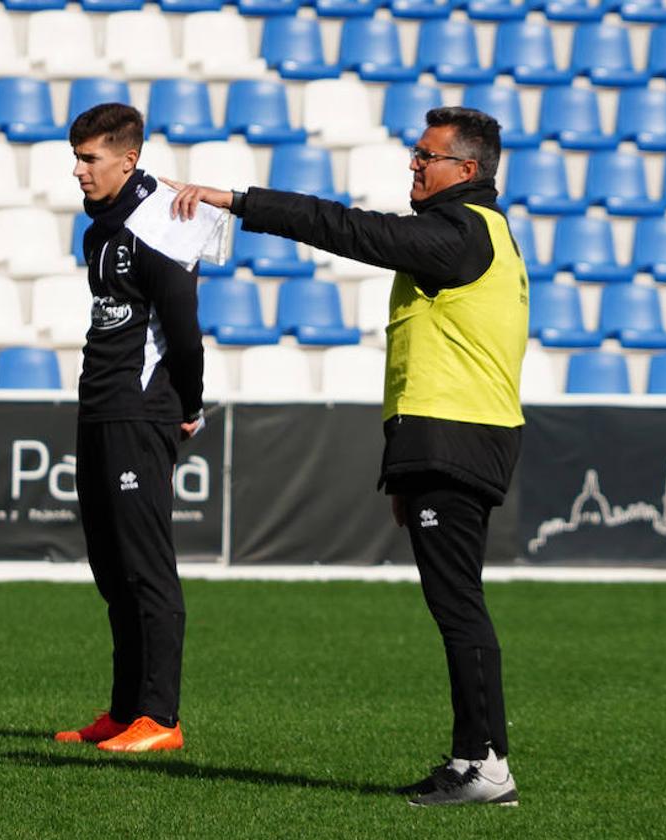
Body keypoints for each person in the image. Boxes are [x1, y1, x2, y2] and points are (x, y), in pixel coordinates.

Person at [168, 107, 527, 805]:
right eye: (416, 154)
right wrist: (405, 462)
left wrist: (238, 201)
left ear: (469, 170)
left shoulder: (457, 232)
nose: (414, 165)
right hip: (455, 438)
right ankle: (473, 759)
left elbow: (345, 228)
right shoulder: (485, 233)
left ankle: (486, 766)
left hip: (454, 436)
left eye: (428, 156)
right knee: (456, 603)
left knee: (458, 606)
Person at [53, 103, 204, 753]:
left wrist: (189, 405)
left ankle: (161, 719)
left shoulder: (162, 225)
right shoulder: (99, 232)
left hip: (141, 411)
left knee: (147, 568)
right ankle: (124, 712)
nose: (79, 171)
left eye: (90, 159)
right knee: (112, 569)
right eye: (77, 158)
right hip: (99, 406)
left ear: (128, 158)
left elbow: (184, 331)